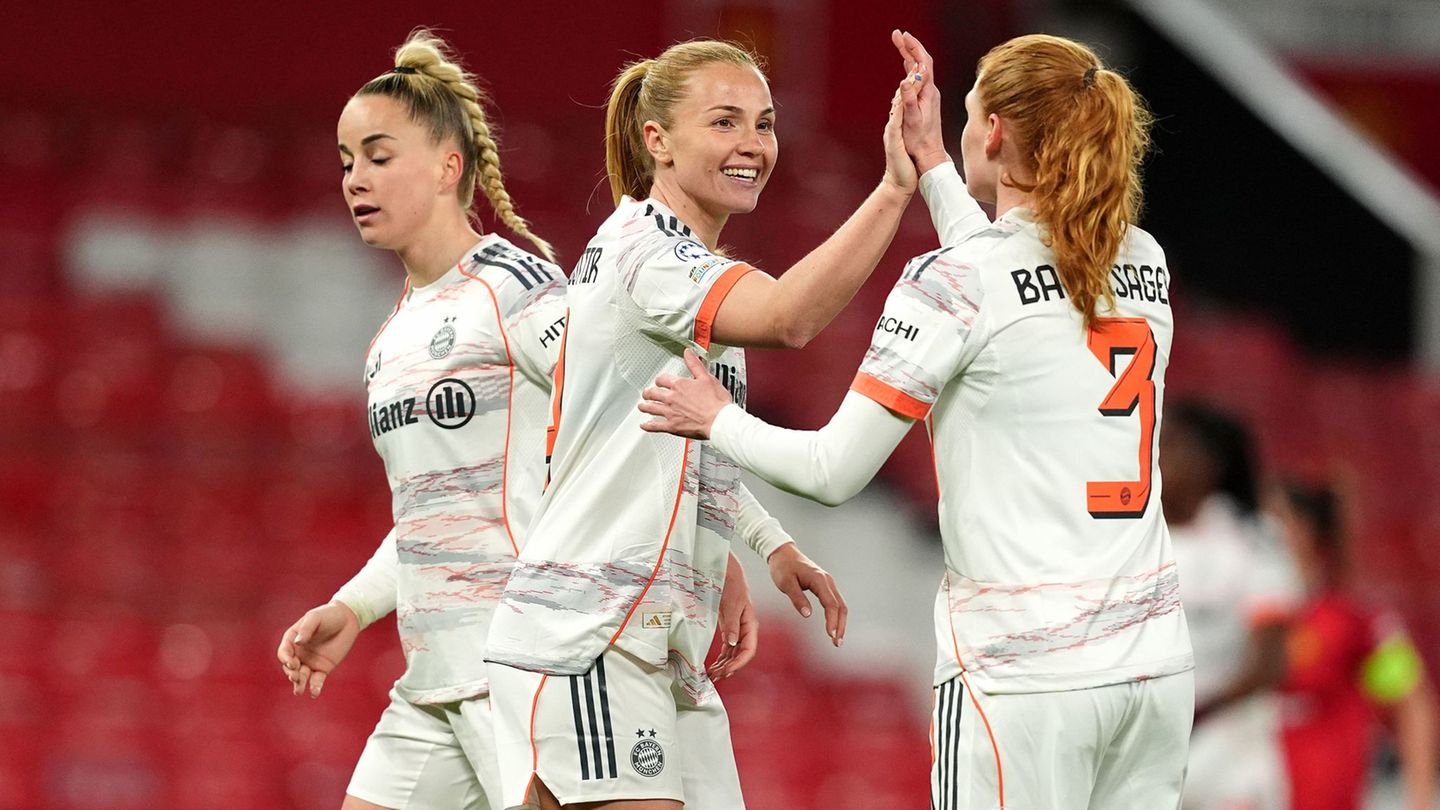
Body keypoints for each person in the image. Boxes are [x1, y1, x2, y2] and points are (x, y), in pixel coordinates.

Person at [639, 33, 1195, 809]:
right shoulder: (1143, 259)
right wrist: (934, 165)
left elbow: (832, 472)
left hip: (1022, 677)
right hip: (1153, 672)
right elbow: (1012, 278)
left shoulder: (954, 282)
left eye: (970, 115)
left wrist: (719, 418)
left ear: (994, 132)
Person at [271, 30, 805, 810]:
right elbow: (435, 515)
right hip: (432, 679)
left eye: (379, 156)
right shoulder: (389, 340)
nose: (356, 178)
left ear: (449, 167)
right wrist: (354, 607)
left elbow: (632, 416)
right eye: (347, 160)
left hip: (519, 661)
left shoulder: (513, 286)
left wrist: (733, 545)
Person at [483, 33, 941, 810]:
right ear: (656, 140)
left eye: (764, 124)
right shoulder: (649, 254)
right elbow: (791, 317)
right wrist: (896, 189)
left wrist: (755, 544)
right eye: (725, 122)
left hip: (657, 643)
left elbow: (661, 435)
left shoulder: (677, 263)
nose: (753, 145)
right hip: (589, 635)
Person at [1160, 401, 1299, 810]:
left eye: (1170, 445)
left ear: (1209, 463)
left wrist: (1197, 712)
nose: (1155, 455)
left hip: (1228, 756)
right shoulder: (1134, 536)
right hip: (1151, 748)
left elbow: (1270, 660)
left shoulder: (1251, 540)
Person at [1270, 481, 1437, 810]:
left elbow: (1412, 701)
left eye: (1276, 521)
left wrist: (1419, 800)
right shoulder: (1242, 621)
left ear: (1307, 531)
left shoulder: (1351, 619)